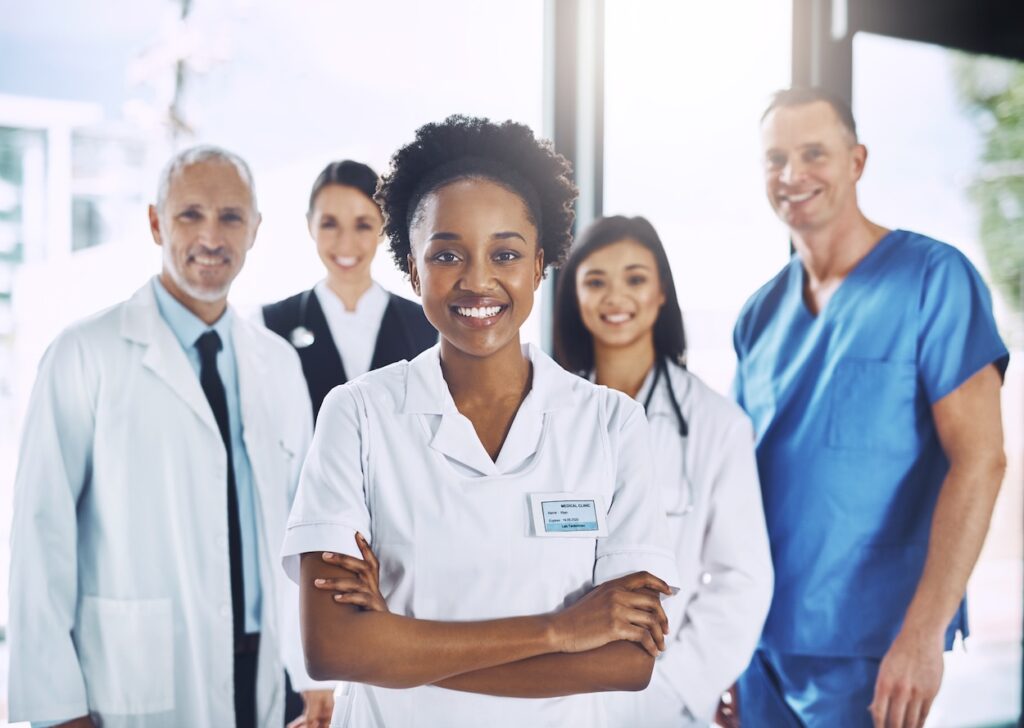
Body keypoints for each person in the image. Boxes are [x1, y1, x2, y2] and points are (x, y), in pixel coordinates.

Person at [280, 115, 680, 728]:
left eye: (505, 253)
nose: (478, 280)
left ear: (540, 263)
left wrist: (395, 644)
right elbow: (333, 648)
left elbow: (627, 662)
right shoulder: (357, 414)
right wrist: (562, 629)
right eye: (446, 254)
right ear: (412, 270)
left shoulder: (611, 425)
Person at [8, 146, 329, 728]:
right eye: (190, 215)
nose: (212, 236)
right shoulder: (86, 354)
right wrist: (57, 706)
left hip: (262, 674)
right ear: (156, 222)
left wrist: (313, 674)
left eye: (232, 217)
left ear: (255, 230)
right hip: (132, 676)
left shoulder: (277, 364)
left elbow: (302, 532)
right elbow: (40, 533)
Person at [733, 88, 1009, 727]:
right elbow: (741, 485)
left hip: (875, 649)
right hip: (759, 647)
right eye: (776, 159)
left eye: (813, 154)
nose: (793, 175)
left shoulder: (934, 279)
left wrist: (922, 637)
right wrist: (723, 646)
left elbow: (982, 461)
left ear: (856, 161)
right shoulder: (759, 314)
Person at [552, 214, 773, 726]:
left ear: (661, 294)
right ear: (574, 296)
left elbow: (744, 580)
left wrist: (674, 691)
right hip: (549, 691)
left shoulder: (716, 425)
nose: (615, 297)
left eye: (635, 278)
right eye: (595, 281)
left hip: (656, 701)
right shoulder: (544, 412)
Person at [262, 160, 436, 421]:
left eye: (363, 225)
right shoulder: (270, 325)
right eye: (330, 224)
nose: (345, 242)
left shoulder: (427, 325)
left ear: (383, 228)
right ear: (310, 225)